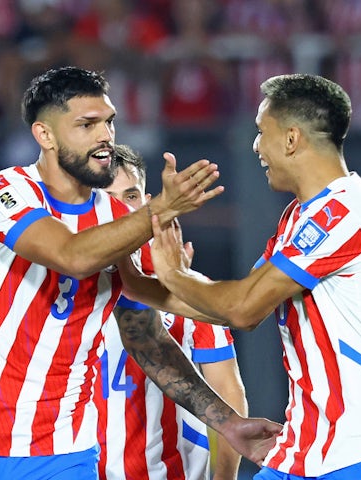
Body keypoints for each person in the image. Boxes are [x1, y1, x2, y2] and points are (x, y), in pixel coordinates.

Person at [0, 66, 281, 480]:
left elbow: (146, 335)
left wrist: (227, 421)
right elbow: (71, 255)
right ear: (45, 135)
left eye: (109, 122)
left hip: (62, 451)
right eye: (87, 124)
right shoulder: (4, 192)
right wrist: (160, 208)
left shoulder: (118, 220)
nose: (105, 136)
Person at [148, 74, 361, 479]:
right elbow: (232, 304)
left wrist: (173, 273)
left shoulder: (343, 211)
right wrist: (136, 286)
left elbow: (242, 309)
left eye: (262, 132)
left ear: (292, 138)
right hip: (306, 448)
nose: (256, 145)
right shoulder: (297, 218)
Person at [95, 144, 247, 479]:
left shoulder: (188, 287)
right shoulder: (60, 285)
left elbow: (227, 389)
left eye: (131, 196)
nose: (122, 208)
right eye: (108, 197)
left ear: (149, 203)